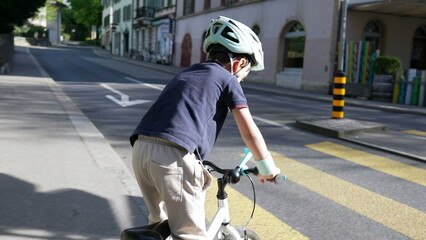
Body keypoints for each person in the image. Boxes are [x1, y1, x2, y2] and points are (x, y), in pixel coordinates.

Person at [130, 16, 281, 240]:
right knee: (189, 234)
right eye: (246, 73)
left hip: (141, 150)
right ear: (239, 63)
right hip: (172, 156)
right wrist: (267, 167)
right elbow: (249, 131)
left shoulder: (187, 72)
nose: (242, 79)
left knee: (161, 228)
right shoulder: (228, 78)